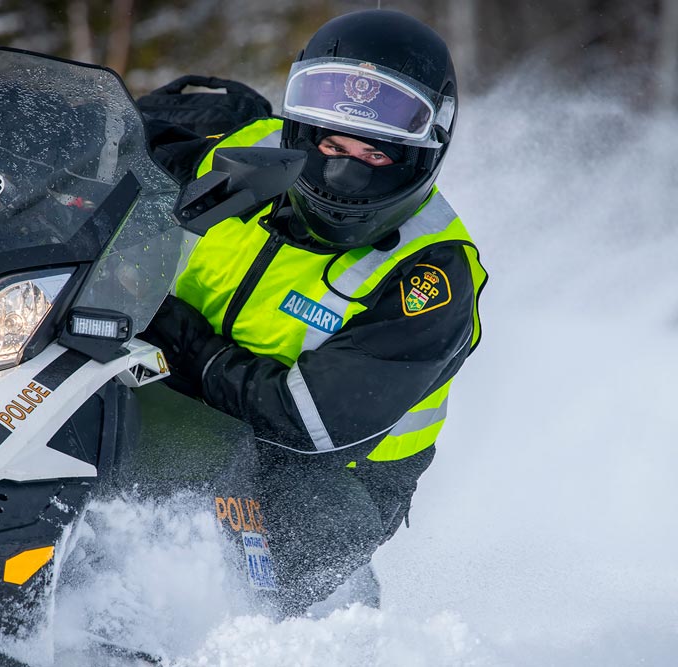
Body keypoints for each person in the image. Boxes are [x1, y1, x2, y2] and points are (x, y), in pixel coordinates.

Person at [140, 9, 488, 616]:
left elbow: (310, 420)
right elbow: (123, 172)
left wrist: (177, 337)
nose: (341, 168)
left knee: (284, 555)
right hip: (164, 385)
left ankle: (263, 638)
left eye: (371, 154)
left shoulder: (431, 275)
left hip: (322, 471)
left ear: (416, 155)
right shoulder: (247, 152)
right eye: (330, 144)